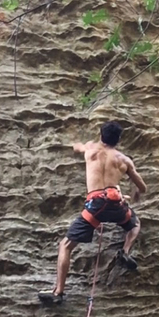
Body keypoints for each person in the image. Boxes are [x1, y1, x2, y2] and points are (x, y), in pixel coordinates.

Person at [39, 121, 147, 304]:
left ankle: (58, 292)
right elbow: (142, 187)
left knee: (65, 246)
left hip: (95, 207)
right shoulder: (124, 160)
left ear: (101, 135)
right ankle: (125, 251)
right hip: (116, 205)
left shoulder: (91, 149)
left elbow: (77, 147)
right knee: (135, 224)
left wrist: (76, 145)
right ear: (118, 140)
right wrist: (136, 193)